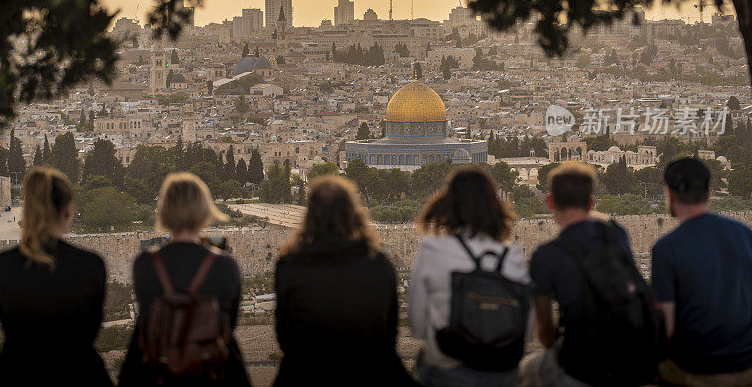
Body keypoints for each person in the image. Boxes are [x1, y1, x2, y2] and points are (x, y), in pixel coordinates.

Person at [519, 162, 653, 387]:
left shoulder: (545, 256)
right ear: (591, 203)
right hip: (627, 356)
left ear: (550, 202)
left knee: (525, 371)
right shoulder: (616, 234)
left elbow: (543, 331)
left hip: (580, 366)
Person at [273, 176, 416, 386]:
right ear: (353, 212)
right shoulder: (378, 263)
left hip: (306, 369)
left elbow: (284, 335)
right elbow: (389, 331)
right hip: (371, 367)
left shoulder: (289, 265)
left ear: (310, 215)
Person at [119, 173, 250, 386]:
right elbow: (228, 323)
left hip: (156, 368)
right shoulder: (224, 266)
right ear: (204, 210)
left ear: (165, 211)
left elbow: (146, 317)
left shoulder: (145, 264)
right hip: (211, 369)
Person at [0, 167, 112, 386]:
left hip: (18, 375)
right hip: (79, 375)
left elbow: (11, 329)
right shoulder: (90, 265)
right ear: (67, 211)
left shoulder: (2, 266)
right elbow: (91, 331)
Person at [408, 167, 529, 386]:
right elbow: (526, 331)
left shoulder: (433, 250)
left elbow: (417, 326)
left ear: (449, 205)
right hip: (502, 372)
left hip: (447, 371)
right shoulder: (513, 257)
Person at [652, 157, 752, 386]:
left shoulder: (666, 249)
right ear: (710, 192)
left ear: (670, 194)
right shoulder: (744, 234)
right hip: (749, 366)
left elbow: (668, 326)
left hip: (697, 371)